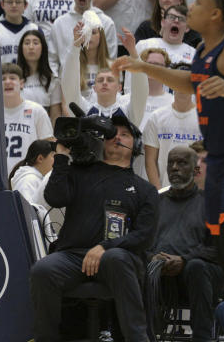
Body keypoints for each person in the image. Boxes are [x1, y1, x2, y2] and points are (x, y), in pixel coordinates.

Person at [114, 0, 224, 341]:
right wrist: (143, 67)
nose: (189, 6)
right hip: (217, 163)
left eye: (199, 2)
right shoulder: (204, 49)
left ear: (216, 14)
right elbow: (191, 80)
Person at [29, 111, 158, 342]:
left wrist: (105, 247)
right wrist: (60, 157)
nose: (117, 137)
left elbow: (145, 237)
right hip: (73, 256)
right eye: (112, 134)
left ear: (136, 144)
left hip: (118, 259)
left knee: (115, 257)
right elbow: (55, 198)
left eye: (125, 134)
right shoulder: (80, 172)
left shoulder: (145, 189)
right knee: (42, 270)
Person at [148, 146, 224, 342]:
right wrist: (153, 258)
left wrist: (184, 259)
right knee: (131, 263)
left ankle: (202, 338)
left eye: (182, 163)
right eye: (171, 163)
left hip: (201, 277)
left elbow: (219, 250)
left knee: (196, 266)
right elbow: (140, 242)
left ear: (194, 169)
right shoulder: (154, 203)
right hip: (160, 276)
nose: (175, 168)